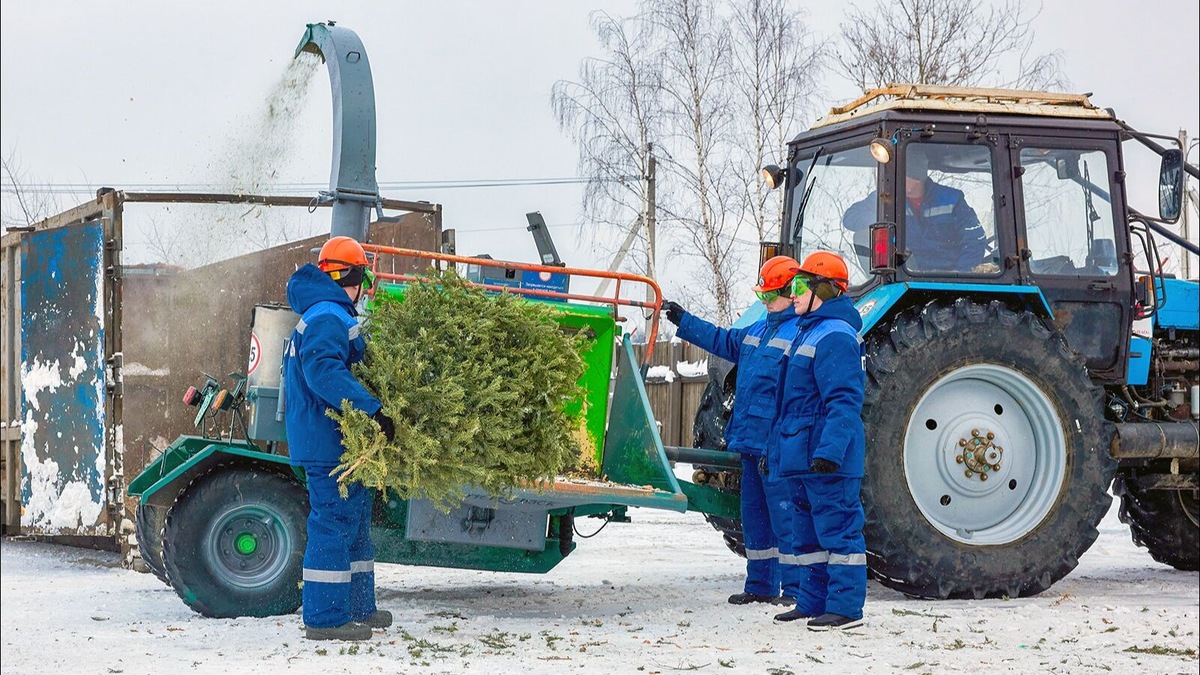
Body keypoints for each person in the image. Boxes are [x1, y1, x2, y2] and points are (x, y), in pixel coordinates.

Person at [661, 256, 804, 608]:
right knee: (754, 516)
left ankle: (798, 590)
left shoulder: (800, 334)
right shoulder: (757, 331)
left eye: (771, 295)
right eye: (763, 296)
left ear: (791, 291)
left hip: (778, 443)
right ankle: (760, 585)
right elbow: (722, 340)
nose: (766, 302)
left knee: (786, 516)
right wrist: (684, 320)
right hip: (750, 440)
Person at [284, 235, 397, 641]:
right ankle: (325, 619)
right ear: (352, 276)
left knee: (355, 523)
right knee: (334, 524)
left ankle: (358, 607)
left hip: (335, 442)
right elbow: (324, 372)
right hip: (326, 441)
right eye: (363, 278)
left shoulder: (323, 312)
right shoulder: (329, 315)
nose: (364, 290)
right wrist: (372, 408)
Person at [768, 251, 867, 631]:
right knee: (806, 533)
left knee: (839, 530)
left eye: (798, 286)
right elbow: (789, 406)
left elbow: (844, 401)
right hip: (801, 457)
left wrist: (829, 453)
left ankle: (845, 608)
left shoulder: (836, 336)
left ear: (822, 289)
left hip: (827, 458)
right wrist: (774, 453)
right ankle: (812, 601)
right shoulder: (807, 331)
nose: (791, 295)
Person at [843, 149, 989, 272]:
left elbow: (975, 239)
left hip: (947, 276)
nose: (894, 179)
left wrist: (960, 274)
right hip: (906, 277)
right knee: (863, 235)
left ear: (917, 177)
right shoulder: (886, 199)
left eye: (901, 174)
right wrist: (881, 218)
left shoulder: (952, 200)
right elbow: (850, 217)